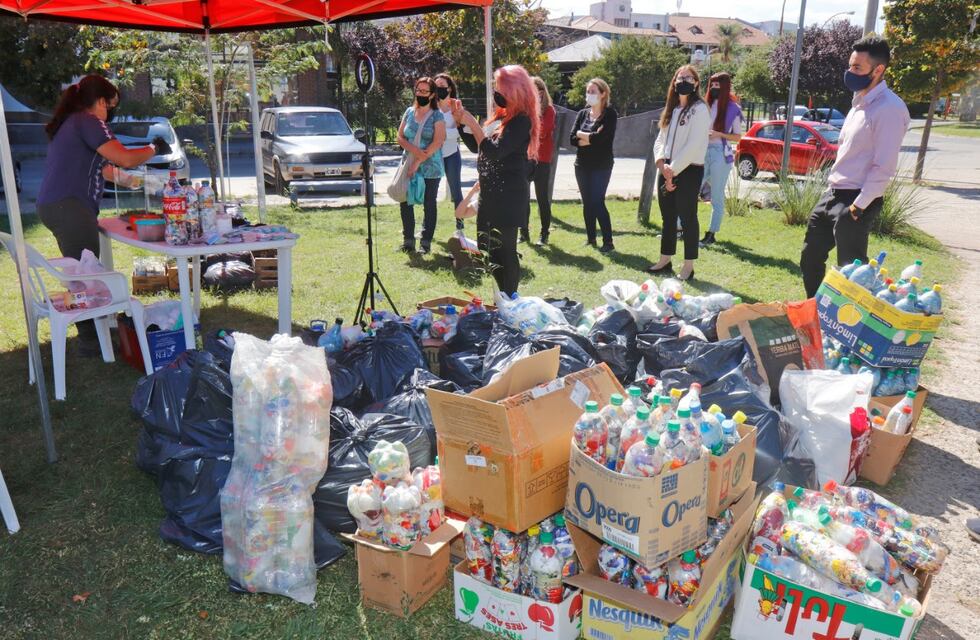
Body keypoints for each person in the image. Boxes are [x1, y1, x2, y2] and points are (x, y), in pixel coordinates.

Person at [36, 75, 168, 355]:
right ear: (99, 102)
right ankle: (91, 341)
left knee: (80, 269)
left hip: (57, 205)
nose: (110, 113)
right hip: (69, 207)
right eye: (110, 106)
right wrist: (154, 148)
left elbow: (110, 170)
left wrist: (141, 183)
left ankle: (92, 333)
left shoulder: (73, 123)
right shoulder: (88, 121)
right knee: (85, 274)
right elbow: (125, 158)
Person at [800, 34, 910, 298]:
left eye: (857, 67)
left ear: (879, 69)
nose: (850, 72)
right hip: (833, 193)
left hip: (857, 199)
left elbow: (884, 165)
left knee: (851, 274)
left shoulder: (889, 109)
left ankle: (848, 330)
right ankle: (816, 315)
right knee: (810, 258)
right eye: (850, 66)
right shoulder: (858, 104)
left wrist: (859, 206)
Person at [453, 65, 539, 296]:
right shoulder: (501, 117)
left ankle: (509, 297)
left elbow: (494, 151)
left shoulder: (521, 121)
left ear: (515, 90)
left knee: (506, 251)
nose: (495, 92)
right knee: (489, 248)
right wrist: (462, 123)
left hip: (508, 195)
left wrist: (472, 123)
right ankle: (501, 296)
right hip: (491, 193)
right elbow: (477, 146)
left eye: (499, 87)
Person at [647, 65, 710, 280]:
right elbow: (660, 140)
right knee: (667, 217)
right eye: (680, 77)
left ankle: (688, 266)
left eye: (689, 77)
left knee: (688, 217)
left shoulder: (700, 109)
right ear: (674, 82)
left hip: (689, 170)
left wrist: (672, 170)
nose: (683, 80)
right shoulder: (671, 109)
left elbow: (694, 144)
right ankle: (665, 259)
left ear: (696, 83)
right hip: (666, 169)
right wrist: (661, 163)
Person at [396, 76, 446, 254]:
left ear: (432, 95)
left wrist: (419, 159)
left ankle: (425, 243)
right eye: (418, 90)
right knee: (405, 201)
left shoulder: (437, 115)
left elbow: (439, 141)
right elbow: (400, 137)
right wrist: (414, 151)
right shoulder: (409, 111)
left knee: (429, 203)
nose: (421, 94)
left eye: (425, 91)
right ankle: (408, 241)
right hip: (408, 162)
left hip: (430, 166)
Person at [570, 78, 617, 252]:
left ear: (603, 94)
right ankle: (591, 238)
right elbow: (572, 138)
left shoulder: (610, 114)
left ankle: (608, 241)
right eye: (588, 91)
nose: (589, 95)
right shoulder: (582, 114)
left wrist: (583, 135)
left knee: (597, 201)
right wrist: (589, 137)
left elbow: (602, 140)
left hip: (602, 165)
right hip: (581, 164)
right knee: (587, 202)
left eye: (593, 92)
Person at [699, 72, 743, 246]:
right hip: (701, 151)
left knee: (716, 196)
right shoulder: (703, 105)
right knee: (690, 189)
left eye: (718, 85)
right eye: (712, 85)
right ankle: (680, 228)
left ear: (724, 87)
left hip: (720, 153)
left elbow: (738, 136)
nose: (714, 88)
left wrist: (719, 134)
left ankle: (711, 234)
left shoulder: (733, 108)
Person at [521, 77, 556, 245]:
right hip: (525, 158)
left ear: (542, 92)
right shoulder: (523, 109)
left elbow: (542, 131)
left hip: (542, 159)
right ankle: (523, 233)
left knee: (542, 198)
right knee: (522, 197)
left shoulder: (549, 110)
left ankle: (544, 234)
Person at [434, 73, 464, 230]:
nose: (438, 89)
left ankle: (460, 227)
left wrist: (442, 134)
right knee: (430, 193)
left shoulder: (456, 107)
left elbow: (461, 131)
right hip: (434, 156)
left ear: (450, 88)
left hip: (452, 154)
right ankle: (427, 228)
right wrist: (445, 133)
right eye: (436, 86)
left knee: (456, 191)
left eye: (442, 87)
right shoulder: (431, 107)